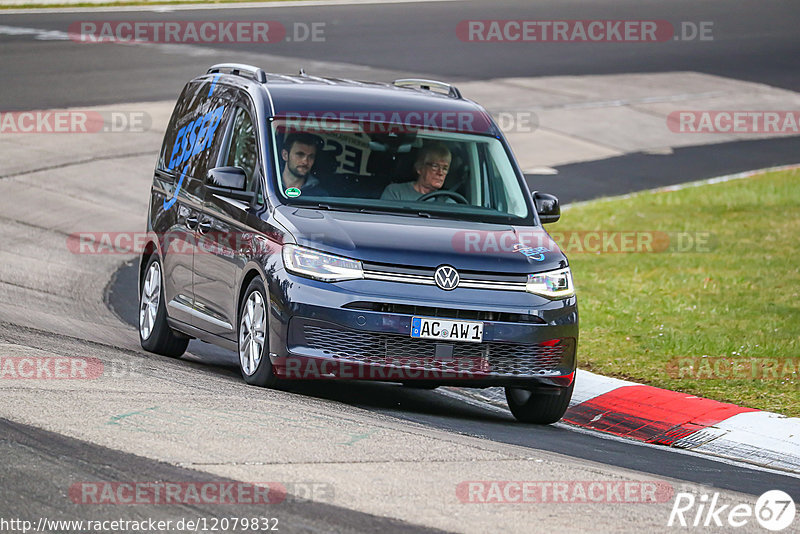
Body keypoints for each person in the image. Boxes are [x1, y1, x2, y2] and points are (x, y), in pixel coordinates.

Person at [380, 142, 452, 201]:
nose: (440, 173)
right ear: (419, 168)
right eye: (435, 166)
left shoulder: (447, 203)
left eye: (445, 169)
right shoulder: (395, 192)